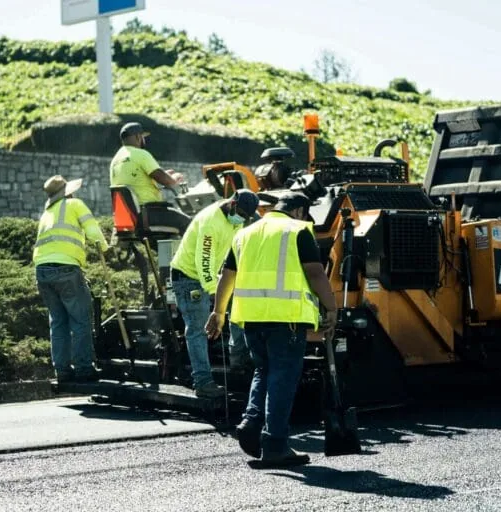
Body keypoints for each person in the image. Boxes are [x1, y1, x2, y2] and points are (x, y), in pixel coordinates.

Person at [205, 191, 337, 467]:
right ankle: (275, 443)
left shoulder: (245, 234)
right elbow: (315, 273)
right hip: (285, 319)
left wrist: (218, 312)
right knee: (283, 377)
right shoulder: (298, 231)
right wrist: (332, 308)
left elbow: (226, 276)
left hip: (250, 319)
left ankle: (252, 423)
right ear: (300, 210)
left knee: (263, 371)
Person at [170, 189, 260, 398]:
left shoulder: (236, 219)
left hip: (211, 275)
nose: (242, 219)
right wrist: (215, 296)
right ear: (232, 203)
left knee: (239, 311)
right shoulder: (211, 223)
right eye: (242, 214)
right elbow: (204, 264)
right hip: (188, 277)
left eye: (247, 217)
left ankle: (239, 364)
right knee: (198, 328)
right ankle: (203, 382)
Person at [33, 175, 108, 383]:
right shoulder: (74, 204)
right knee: (80, 318)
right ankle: (84, 368)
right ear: (68, 192)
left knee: (58, 321)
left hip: (42, 271)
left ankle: (62, 371)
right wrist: (105, 248)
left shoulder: (47, 212)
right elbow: (93, 230)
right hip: (65, 268)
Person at [110, 122, 192, 233]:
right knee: (191, 224)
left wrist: (164, 174)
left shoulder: (115, 160)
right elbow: (167, 181)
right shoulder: (140, 154)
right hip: (148, 214)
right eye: (143, 137)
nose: (144, 140)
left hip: (127, 218)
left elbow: (136, 180)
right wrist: (174, 178)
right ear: (138, 137)